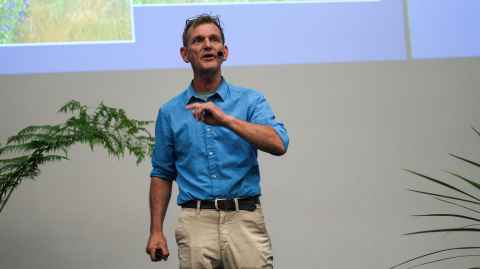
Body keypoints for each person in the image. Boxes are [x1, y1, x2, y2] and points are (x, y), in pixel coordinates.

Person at [145, 14, 289, 269]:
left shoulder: (250, 101)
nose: (208, 45)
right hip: (196, 221)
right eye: (198, 41)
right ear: (185, 54)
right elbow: (162, 174)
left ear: (225, 51)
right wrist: (156, 231)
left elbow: (279, 143)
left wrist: (226, 120)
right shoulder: (170, 112)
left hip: (244, 219)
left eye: (214, 39)